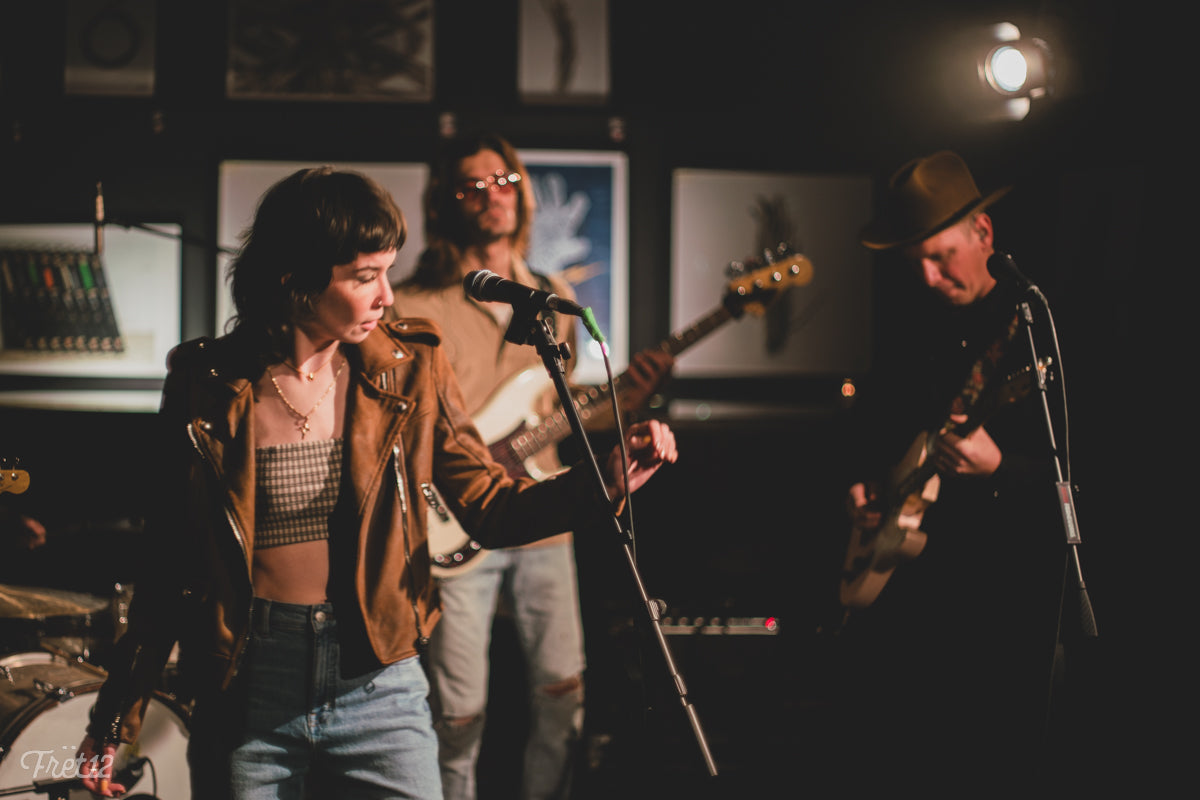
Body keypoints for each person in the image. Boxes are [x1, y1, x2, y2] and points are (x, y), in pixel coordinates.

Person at [74, 166, 677, 799]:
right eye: (365, 277)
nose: (387, 296)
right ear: (295, 279)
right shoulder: (207, 383)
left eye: (388, 270)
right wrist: (115, 716)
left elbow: (489, 505)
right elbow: (169, 558)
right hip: (250, 681)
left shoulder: (411, 365)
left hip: (381, 679)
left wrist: (601, 483)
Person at [392, 134, 674, 800]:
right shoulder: (410, 303)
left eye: (505, 183)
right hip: (457, 518)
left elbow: (560, 410)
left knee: (562, 696)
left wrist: (626, 396)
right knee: (458, 714)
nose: (494, 198)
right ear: (444, 202)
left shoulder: (547, 296)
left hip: (546, 514)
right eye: (473, 186)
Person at [832, 151, 1069, 787]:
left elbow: (1080, 486)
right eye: (918, 266)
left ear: (984, 235)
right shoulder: (917, 330)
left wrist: (1000, 468)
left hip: (999, 608)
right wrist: (865, 487)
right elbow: (877, 430)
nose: (931, 278)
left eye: (942, 257)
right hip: (918, 612)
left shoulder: (1034, 329)